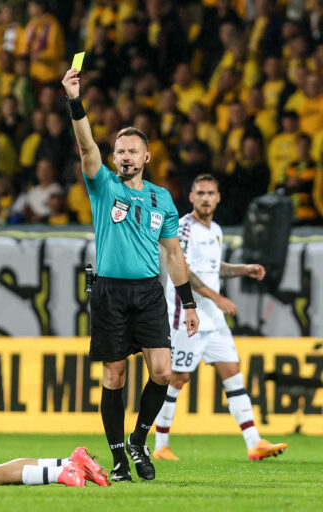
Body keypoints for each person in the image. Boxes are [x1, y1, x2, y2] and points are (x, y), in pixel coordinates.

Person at [61, 67, 199, 483]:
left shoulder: (162, 198)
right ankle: (120, 457)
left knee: (162, 370)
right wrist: (74, 101)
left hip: (148, 293)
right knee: (114, 374)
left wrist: (188, 302)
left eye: (132, 151)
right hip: (109, 292)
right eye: (119, 150)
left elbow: (172, 252)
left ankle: (139, 439)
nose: (124, 156)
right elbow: (86, 145)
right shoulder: (102, 184)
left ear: (146, 157)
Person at [153, 174, 288, 462]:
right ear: (191, 197)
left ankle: (254, 442)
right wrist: (217, 297)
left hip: (213, 321)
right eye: (199, 193)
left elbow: (215, 268)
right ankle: (160, 445)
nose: (205, 198)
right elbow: (183, 269)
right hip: (186, 316)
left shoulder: (215, 229)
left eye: (210, 193)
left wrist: (243, 269)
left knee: (233, 372)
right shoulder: (184, 228)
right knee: (177, 378)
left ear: (218, 197)